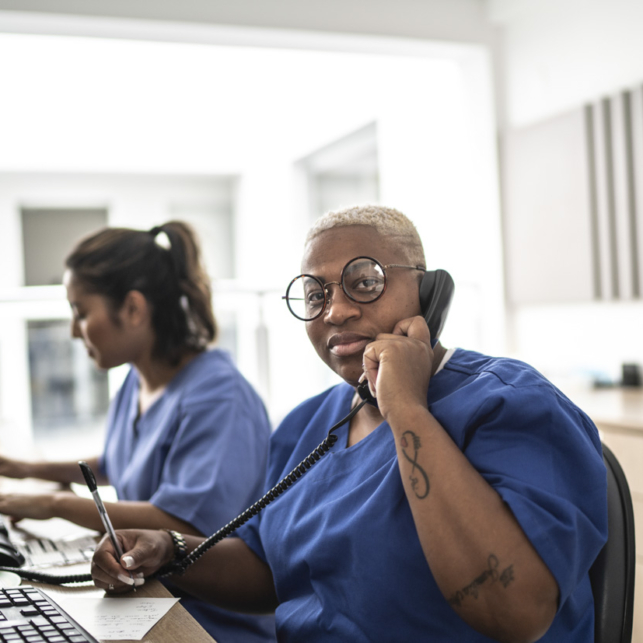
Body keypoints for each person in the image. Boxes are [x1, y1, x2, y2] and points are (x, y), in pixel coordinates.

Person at [90, 206, 607, 642]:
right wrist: (168, 550)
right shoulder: (306, 424)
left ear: (429, 294)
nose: (335, 311)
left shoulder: (509, 403)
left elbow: (514, 608)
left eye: (364, 283)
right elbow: (272, 572)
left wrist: (405, 404)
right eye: (315, 295)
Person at [0, 221, 276, 643]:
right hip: (148, 596)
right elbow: (119, 461)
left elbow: (178, 522)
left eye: (81, 311)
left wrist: (53, 503)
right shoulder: (138, 379)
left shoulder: (219, 398)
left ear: (132, 309)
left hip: (208, 622)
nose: (75, 330)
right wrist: (23, 467)